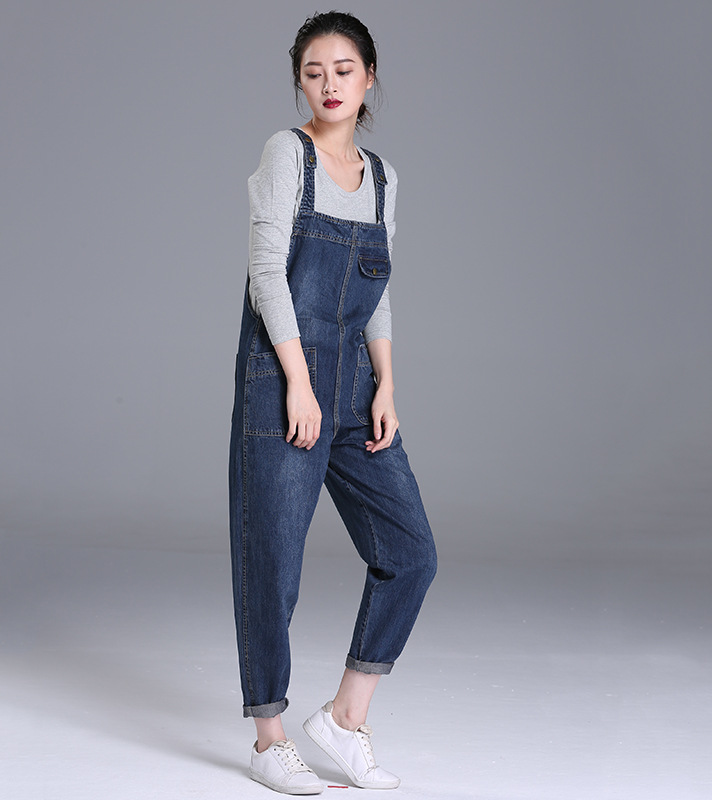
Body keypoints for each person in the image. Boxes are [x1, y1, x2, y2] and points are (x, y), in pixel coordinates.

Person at [229, 11, 437, 795]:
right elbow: (266, 274)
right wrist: (299, 381)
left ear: (369, 78)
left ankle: (346, 719)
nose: (329, 84)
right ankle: (268, 739)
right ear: (300, 82)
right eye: (314, 72)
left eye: (344, 70)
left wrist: (387, 386)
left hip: (355, 383)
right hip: (284, 377)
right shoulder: (287, 155)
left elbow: (378, 293)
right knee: (273, 562)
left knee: (410, 554)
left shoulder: (383, 178)